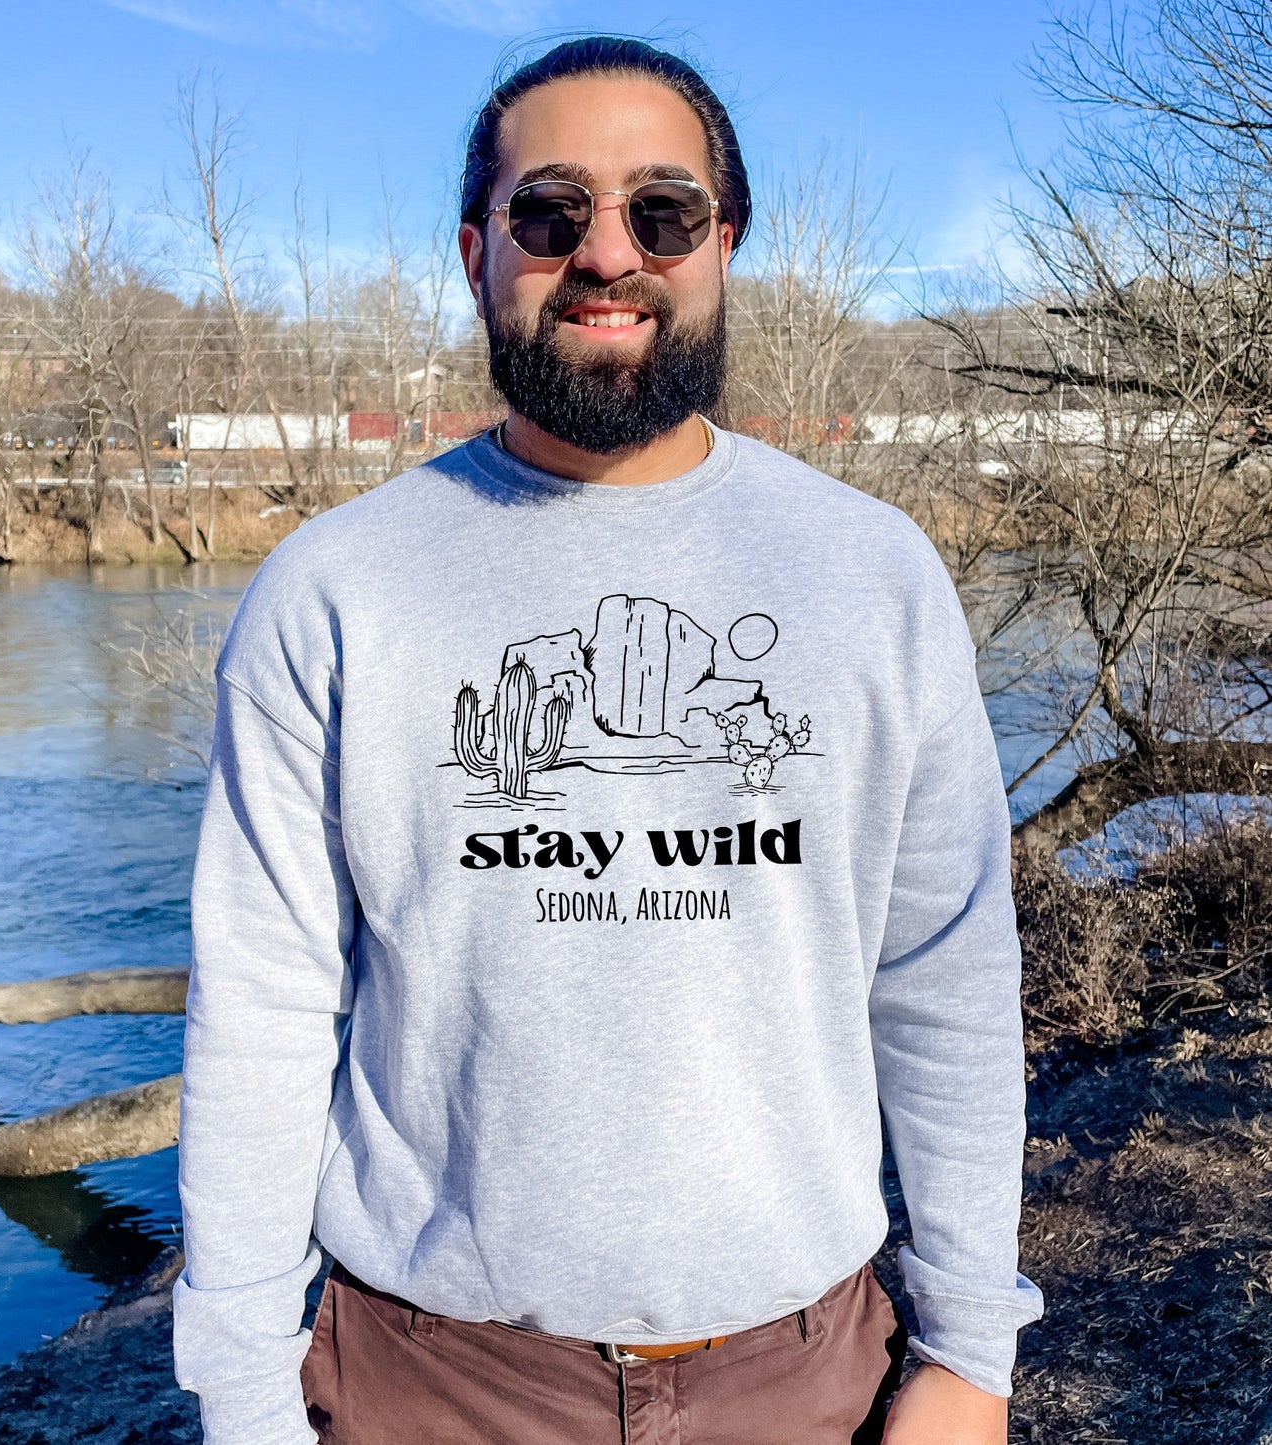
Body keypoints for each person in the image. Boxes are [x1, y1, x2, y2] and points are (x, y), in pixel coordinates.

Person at [171, 35, 1045, 1445]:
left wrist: (969, 1350)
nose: (605, 252)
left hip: (808, 1374)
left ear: (722, 243)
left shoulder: (871, 575)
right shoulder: (334, 588)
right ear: (476, 252)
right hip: (427, 1383)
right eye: (548, 210)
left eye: (662, 210)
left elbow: (942, 979)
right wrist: (242, 1391)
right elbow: (263, 1011)